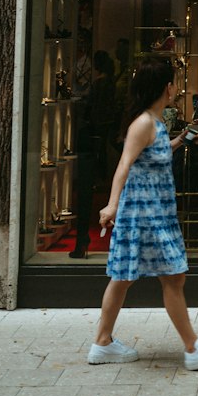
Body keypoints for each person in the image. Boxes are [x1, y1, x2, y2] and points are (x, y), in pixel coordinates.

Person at [89, 56, 198, 371]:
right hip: (146, 214)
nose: (177, 88)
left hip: (152, 212)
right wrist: (112, 203)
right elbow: (124, 165)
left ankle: (102, 341)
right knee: (172, 276)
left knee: (125, 277)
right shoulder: (143, 123)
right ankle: (193, 348)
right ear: (167, 87)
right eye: (175, 83)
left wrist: (181, 140)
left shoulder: (153, 123)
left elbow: (151, 153)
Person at [69, 50, 118, 259]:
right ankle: (82, 241)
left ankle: (82, 240)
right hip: (102, 128)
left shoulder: (100, 83)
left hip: (94, 131)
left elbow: (93, 106)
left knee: (87, 178)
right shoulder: (108, 83)